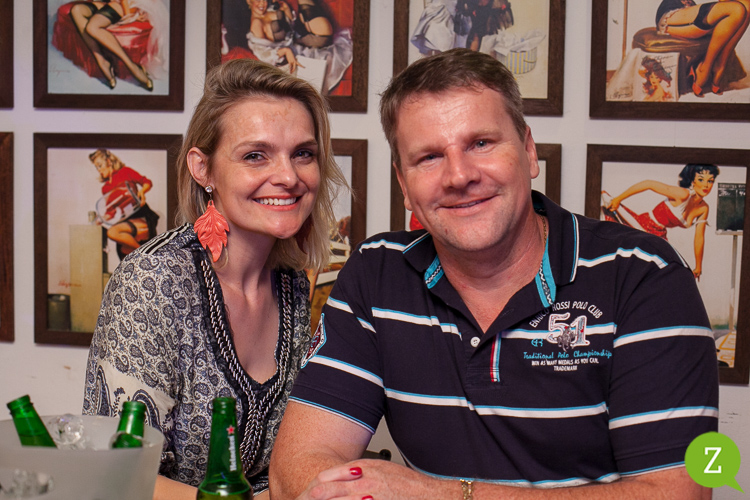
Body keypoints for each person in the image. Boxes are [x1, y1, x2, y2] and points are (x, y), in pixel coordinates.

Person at [269, 48, 719, 499]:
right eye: (429, 157)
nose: (459, 176)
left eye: (481, 144)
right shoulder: (378, 272)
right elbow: (295, 470)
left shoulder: (644, 275)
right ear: (404, 184)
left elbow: (681, 493)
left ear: (528, 150)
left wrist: (442, 495)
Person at [82, 58, 347, 499]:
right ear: (202, 169)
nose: (288, 177)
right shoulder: (154, 279)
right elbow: (116, 476)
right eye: (255, 155)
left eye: (303, 153)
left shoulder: (292, 283)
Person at [602, 164, 720, 281]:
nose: (706, 185)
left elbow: (699, 237)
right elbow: (649, 184)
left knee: (666, 272)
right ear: (693, 181)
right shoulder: (683, 194)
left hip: (659, 234)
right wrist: (618, 199)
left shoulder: (704, 208)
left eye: (710, 181)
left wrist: (698, 266)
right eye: (701, 179)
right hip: (643, 225)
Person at [68, 0, 170, 90]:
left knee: (92, 27)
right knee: (76, 10)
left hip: (128, 2)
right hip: (110, 2)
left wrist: (129, 16)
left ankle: (132, 66)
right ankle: (101, 60)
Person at [656, 0, 750, 96]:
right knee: (736, 9)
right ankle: (703, 69)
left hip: (690, 11)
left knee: (747, 6)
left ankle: (720, 65)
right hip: (672, 14)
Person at [90, 148, 160, 259]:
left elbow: (147, 182)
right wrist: (101, 219)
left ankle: (145, 255)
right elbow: (111, 212)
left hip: (141, 215)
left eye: (99, 165)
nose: (98, 170)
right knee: (125, 254)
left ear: (108, 162)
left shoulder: (125, 171)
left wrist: (142, 192)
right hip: (125, 220)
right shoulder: (105, 188)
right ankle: (144, 255)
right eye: (96, 167)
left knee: (113, 232)